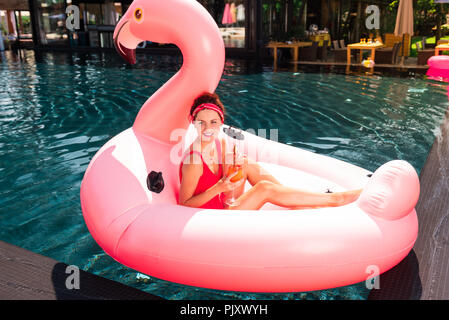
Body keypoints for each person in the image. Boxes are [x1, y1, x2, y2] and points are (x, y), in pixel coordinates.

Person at [178, 92, 362, 210]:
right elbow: (184, 204)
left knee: (246, 162)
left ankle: (295, 201)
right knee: (264, 189)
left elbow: (227, 177)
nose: (207, 128)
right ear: (193, 122)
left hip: (225, 199)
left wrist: (234, 167)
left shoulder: (220, 143)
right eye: (201, 122)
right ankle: (336, 199)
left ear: (221, 122)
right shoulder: (193, 161)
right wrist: (218, 188)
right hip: (215, 216)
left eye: (213, 122)